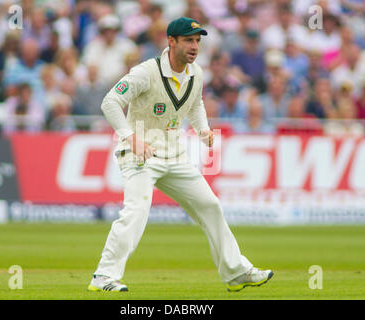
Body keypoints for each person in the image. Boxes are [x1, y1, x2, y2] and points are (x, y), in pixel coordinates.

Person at [88, 17, 273, 293]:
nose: (195, 46)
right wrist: (131, 137)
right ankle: (103, 276)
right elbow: (110, 102)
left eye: (198, 40)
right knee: (137, 210)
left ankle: (236, 272)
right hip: (140, 155)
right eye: (188, 40)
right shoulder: (145, 72)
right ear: (171, 41)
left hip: (174, 155)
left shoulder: (196, 73)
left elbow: (195, 102)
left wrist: (203, 130)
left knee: (210, 206)